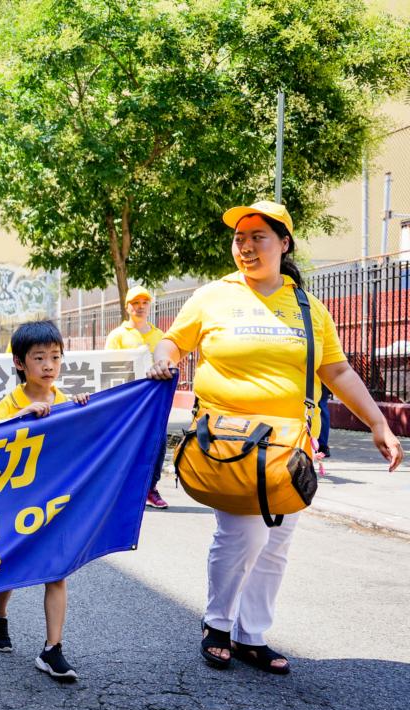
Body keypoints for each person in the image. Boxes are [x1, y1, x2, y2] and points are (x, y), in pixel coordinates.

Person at [148, 201, 402, 674]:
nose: (245, 247)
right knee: (241, 533)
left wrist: (378, 423)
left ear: (283, 244)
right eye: (239, 238)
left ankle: (252, 634)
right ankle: (218, 624)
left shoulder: (308, 306)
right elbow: (173, 340)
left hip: (288, 444)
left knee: (278, 538)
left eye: (257, 237)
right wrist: (163, 358)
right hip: (229, 438)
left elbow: (338, 370)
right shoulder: (213, 295)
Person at [0, 321, 89, 682]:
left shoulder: (66, 402)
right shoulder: (9, 404)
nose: (48, 365)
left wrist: (81, 412)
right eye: (39, 357)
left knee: (57, 573)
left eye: (55, 357)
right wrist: (21, 418)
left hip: (55, 501)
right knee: (9, 565)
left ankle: (52, 648)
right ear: (19, 363)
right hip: (16, 500)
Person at [104, 287, 170, 510]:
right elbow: (108, 369)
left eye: (144, 302)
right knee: (126, 445)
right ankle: (123, 489)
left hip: (153, 403)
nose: (140, 307)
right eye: (135, 303)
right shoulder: (117, 336)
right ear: (127, 307)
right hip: (127, 404)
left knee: (157, 444)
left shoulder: (160, 336)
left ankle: (150, 489)